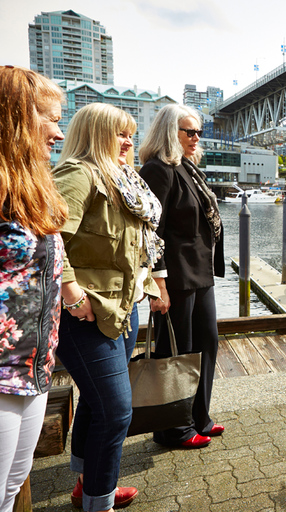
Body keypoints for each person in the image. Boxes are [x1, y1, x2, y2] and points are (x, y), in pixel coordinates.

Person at [53, 103, 163, 512]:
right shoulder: (78, 175)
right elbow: (49, 239)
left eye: (130, 133)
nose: (129, 141)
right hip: (87, 314)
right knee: (116, 410)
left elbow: (134, 248)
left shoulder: (124, 180)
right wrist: (72, 295)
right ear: (94, 134)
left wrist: (149, 286)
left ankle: (90, 482)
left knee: (98, 402)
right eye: (119, 133)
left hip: (123, 308)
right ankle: (100, 503)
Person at [0, 66, 67, 512]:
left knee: (10, 490)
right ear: (16, 118)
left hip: (35, 366)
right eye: (49, 118)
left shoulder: (33, 188)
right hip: (2, 373)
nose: (58, 133)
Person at [139, 104, 225, 449]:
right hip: (174, 277)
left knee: (207, 344)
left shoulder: (186, 168)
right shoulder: (157, 170)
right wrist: (157, 283)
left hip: (200, 273)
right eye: (188, 131)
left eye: (198, 132)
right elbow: (150, 231)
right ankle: (173, 429)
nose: (195, 138)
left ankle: (198, 416)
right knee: (176, 351)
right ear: (168, 132)